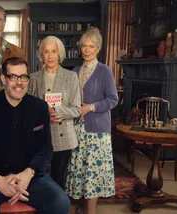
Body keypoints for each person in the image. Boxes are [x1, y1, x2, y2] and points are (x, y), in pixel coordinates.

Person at [0, 57, 70, 214]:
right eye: (12, 77)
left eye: (23, 77)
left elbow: (46, 148)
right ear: (3, 79)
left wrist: (28, 174)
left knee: (61, 202)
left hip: (29, 177)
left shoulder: (39, 107)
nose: (19, 83)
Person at [65, 27, 119, 214]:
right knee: (81, 171)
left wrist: (89, 107)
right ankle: (83, 205)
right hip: (77, 128)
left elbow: (113, 99)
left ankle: (91, 211)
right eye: (84, 46)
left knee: (93, 173)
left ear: (98, 49)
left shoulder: (104, 71)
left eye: (91, 46)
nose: (87, 50)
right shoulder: (75, 70)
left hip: (97, 130)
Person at [28, 36, 81, 189]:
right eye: (46, 51)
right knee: (38, 177)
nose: (50, 56)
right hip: (40, 135)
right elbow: (29, 107)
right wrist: (43, 114)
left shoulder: (71, 77)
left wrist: (57, 111)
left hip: (64, 136)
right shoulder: (33, 78)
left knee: (59, 179)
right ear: (41, 55)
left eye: (54, 51)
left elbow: (77, 109)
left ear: (60, 54)